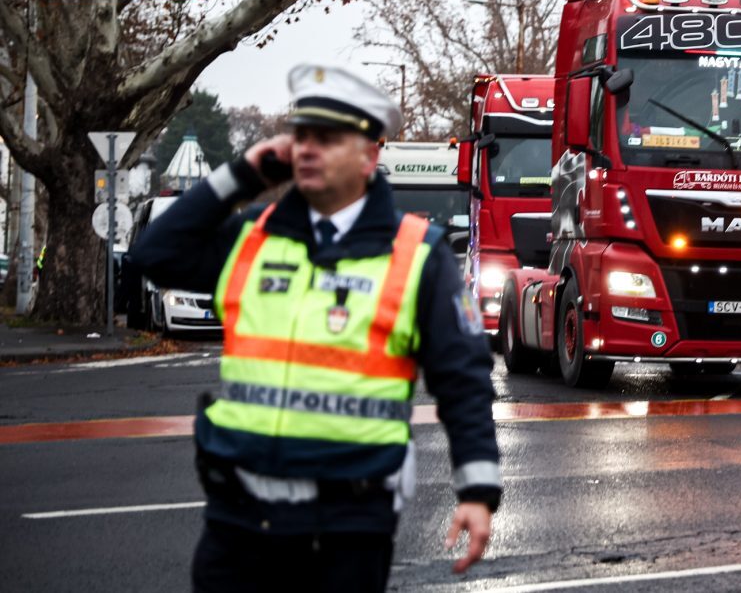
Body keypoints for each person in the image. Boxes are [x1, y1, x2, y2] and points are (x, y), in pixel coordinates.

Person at [130, 65, 501, 592]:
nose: (307, 149)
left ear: (368, 157)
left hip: (346, 530)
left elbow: (463, 378)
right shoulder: (253, 238)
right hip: (239, 524)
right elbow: (153, 253)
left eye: (326, 139)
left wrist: (477, 491)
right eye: (301, 136)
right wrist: (243, 174)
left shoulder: (418, 254)